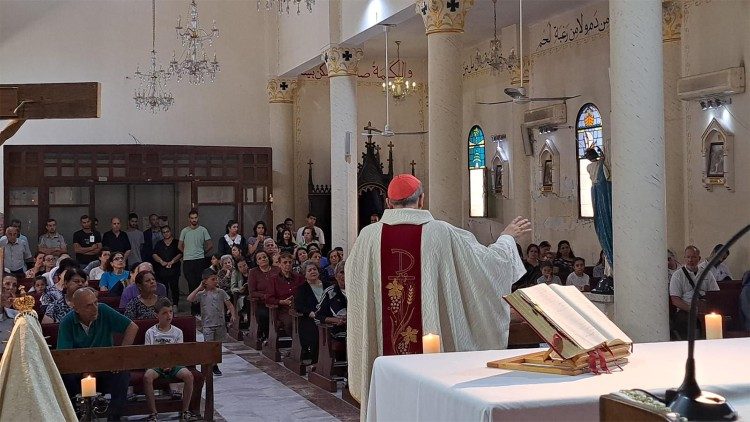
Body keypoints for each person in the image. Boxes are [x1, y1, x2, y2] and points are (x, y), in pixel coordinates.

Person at [346, 174, 530, 407]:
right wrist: (506, 239)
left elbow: (355, 286)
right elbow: (486, 266)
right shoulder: (442, 233)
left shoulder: (368, 237)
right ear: (422, 199)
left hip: (385, 353)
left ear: (388, 203)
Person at [58, 287, 138, 421]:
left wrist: (120, 355)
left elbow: (132, 327)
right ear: (76, 309)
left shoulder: (103, 310)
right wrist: (83, 369)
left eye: (95, 302)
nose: (95, 308)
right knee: (65, 376)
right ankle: (75, 417)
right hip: (80, 372)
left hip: (106, 368)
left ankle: (114, 418)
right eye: (89, 306)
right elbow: (65, 356)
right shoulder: (67, 322)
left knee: (123, 373)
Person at [143, 298, 198, 422]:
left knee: (188, 375)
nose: (169, 316)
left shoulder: (177, 332)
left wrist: (171, 364)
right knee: (147, 377)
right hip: (156, 365)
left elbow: (178, 353)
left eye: (170, 312)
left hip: (174, 364)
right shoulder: (150, 332)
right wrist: (160, 364)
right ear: (156, 315)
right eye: (164, 313)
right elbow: (148, 354)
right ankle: (153, 413)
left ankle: (185, 410)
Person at [187, 269, 236, 376]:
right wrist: (199, 287)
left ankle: (214, 364)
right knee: (209, 346)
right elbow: (190, 299)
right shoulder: (201, 294)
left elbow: (230, 305)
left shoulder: (221, 292)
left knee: (217, 346)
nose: (215, 281)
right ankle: (209, 365)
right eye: (212, 279)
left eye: (216, 279)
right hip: (208, 325)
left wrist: (233, 314)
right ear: (205, 281)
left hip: (220, 323)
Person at [669, 245, 720, 339]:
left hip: (705, 308)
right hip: (686, 309)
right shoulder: (677, 275)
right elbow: (675, 299)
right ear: (684, 258)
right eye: (688, 257)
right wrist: (692, 309)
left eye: (693, 257)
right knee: (685, 322)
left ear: (699, 258)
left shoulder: (707, 273)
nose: (690, 260)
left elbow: (715, 293)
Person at [294, 260, 330, 363]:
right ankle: (317, 362)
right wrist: (310, 313)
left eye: (314, 269)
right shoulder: (302, 289)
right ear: (305, 274)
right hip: (310, 318)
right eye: (309, 270)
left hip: (328, 316)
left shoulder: (328, 285)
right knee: (314, 331)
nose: (313, 271)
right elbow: (299, 306)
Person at [179, 209, 213, 315]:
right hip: (188, 261)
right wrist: (188, 252)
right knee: (191, 284)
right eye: (192, 218)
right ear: (189, 219)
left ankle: (200, 309)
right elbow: (179, 246)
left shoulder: (203, 230)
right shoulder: (184, 231)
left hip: (200, 260)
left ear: (198, 218)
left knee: (200, 284)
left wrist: (202, 252)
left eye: (195, 217)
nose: (194, 220)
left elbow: (210, 244)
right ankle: (194, 310)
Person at [266, 252, 304, 337]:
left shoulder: (299, 277)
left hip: (299, 307)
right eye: (285, 262)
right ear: (279, 264)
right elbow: (269, 298)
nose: (288, 264)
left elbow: (304, 293)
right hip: (283, 309)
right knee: (290, 322)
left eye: (290, 262)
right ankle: (297, 343)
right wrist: (282, 302)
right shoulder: (273, 279)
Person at [247, 250, 279, 341]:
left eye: (264, 257)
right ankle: (268, 336)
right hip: (262, 302)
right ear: (257, 262)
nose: (263, 259)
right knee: (263, 314)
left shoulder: (277, 269)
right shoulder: (253, 272)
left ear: (268, 258)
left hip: (277, 300)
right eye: (260, 258)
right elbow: (252, 292)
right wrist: (264, 296)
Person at [316, 260, 347, 341]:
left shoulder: (360, 292)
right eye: (342, 272)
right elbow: (318, 316)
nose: (345, 275)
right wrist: (336, 320)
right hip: (339, 329)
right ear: (336, 275)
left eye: (347, 272)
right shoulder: (330, 292)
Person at [153, 225, 182, 308]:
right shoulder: (159, 243)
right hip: (162, 269)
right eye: (164, 232)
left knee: (174, 287)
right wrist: (161, 261)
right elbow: (154, 254)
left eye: (167, 231)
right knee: (163, 287)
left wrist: (172, 261)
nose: (166, 233)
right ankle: (165, 304)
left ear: (170, 231)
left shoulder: (177, 242)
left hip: (174, 268)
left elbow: (180, 253)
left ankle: (175, 304)